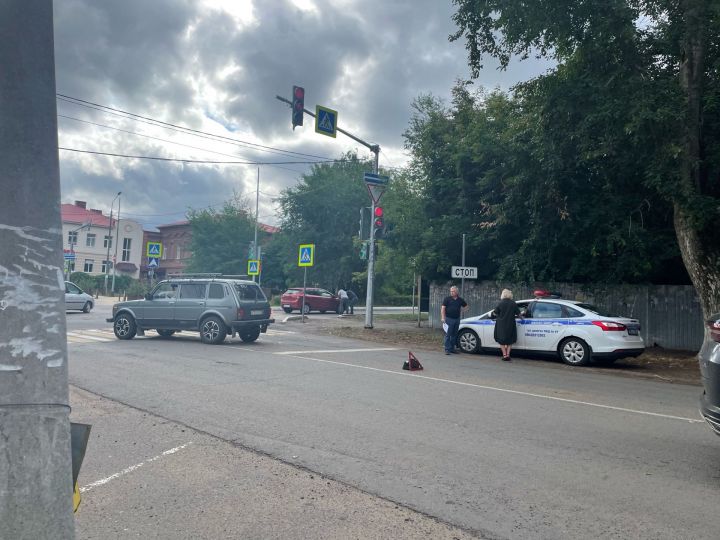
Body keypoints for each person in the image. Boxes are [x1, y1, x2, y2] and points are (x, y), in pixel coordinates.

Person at [493, 288, 520, 361]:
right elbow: (518, 314)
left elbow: (495, 312)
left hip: (501, 324)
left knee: (501, 340)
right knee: (510, 340)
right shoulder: (513, 303)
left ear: (503, 294)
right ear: (510, 294)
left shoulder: (500, 303)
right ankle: (508, 355)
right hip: (510, 323)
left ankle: (504, 355)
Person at [440, 285, 468, 355]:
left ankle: (452, 348)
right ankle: (447, 349)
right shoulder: (447, 299)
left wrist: (462, 310)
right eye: (451, 291)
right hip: (449, 319)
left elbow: (467, 307)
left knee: (454, 335)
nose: (452, 292)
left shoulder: (460, 300)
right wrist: (443, 318)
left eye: (453, 291)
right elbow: (443, 309)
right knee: (448, 335)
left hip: (457, 319)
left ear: (457, 292)